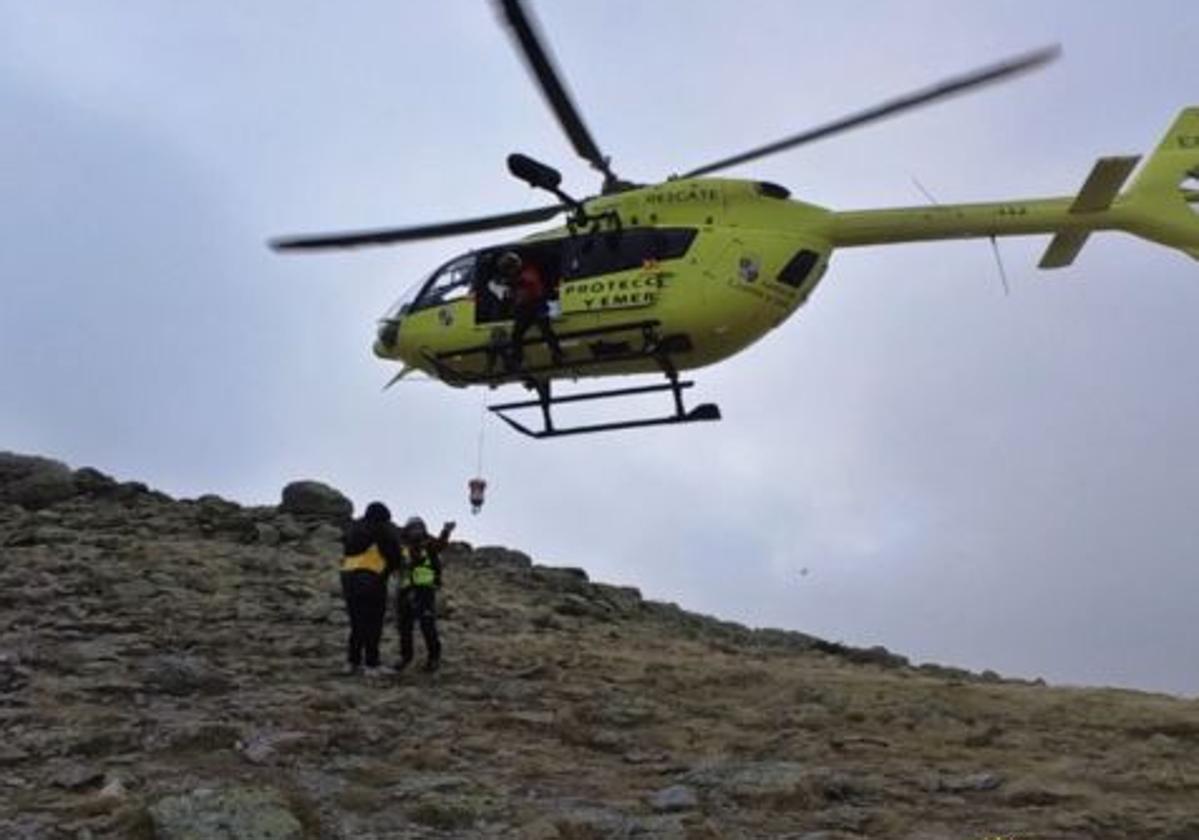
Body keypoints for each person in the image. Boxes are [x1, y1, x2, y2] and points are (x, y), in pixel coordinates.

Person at [339, 501, 403, 678]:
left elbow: (346, 547)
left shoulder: (355, 528)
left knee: (357, 623)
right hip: (371, 578)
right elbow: (395, 556)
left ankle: (352, 662)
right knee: (373, 624)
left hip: (348, 578)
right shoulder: (383, 529)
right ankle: (371, 664)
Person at [395, 516, 455, 673]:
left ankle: (433, 658)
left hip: (425, 590)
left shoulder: (429, 545)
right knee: (404, 627)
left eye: (419, 528)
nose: (417, 531)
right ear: (407, 531)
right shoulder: (401, 547)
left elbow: (441, 545)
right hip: (404, 590)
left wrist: (446, 531)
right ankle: (405, 658)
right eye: (413, 528)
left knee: (427, 625)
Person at [497, 251, 563, 370]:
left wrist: (515, 284)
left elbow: (531, 282)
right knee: (516, 334)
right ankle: (518, 358)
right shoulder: (513, 279)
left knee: (546, 330)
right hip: (524, 309)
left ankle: (557, 352)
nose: (510, 272)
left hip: (537, 304)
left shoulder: (528, 271)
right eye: (507, 270)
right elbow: (515, 294)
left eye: (510, 268)